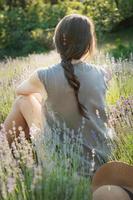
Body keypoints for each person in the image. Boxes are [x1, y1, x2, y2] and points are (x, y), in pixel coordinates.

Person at [4, 14, 112, 177]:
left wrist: (43, 95)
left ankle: (10, 159)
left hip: (62, 165)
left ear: (58, 42)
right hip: (101, 164)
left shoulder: (44, 76)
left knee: (23, 101)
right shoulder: (103, 74)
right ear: (90, 43)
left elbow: (20, 90)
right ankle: (21, 159)